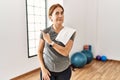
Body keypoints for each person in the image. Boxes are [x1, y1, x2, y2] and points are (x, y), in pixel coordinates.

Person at [38, 3, 76, 80]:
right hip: (47, 71)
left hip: (64, 71)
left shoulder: (70, 32)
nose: (60, 15)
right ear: (50, 17)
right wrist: (43, 69)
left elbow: (66, 52)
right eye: (57, 13)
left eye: (62, 13)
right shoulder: (45, 32)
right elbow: (39, 51)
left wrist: (50, 42)